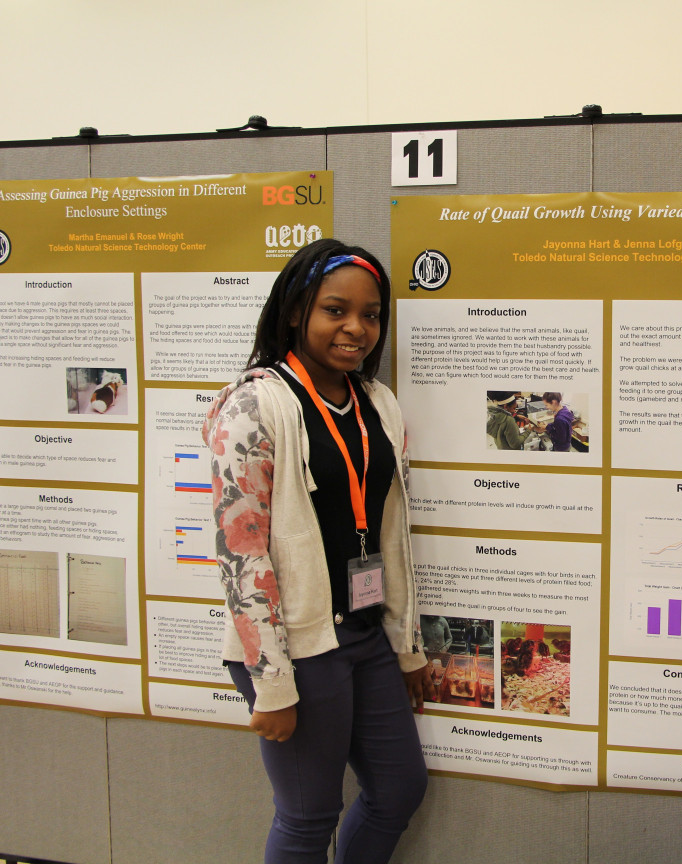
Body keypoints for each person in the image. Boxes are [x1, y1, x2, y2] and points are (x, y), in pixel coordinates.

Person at [204, 239, 434, 864]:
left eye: (371, 315)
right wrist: (272, 681)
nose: (356, 328)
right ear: (295, 311)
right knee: (308, 818)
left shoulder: (377, 402)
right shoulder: (252, 405)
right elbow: (241, 555)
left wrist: (407, 644)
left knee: (399, 788)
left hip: (364, 634)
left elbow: (392, 533)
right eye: (336, 310)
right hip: (298, 648)